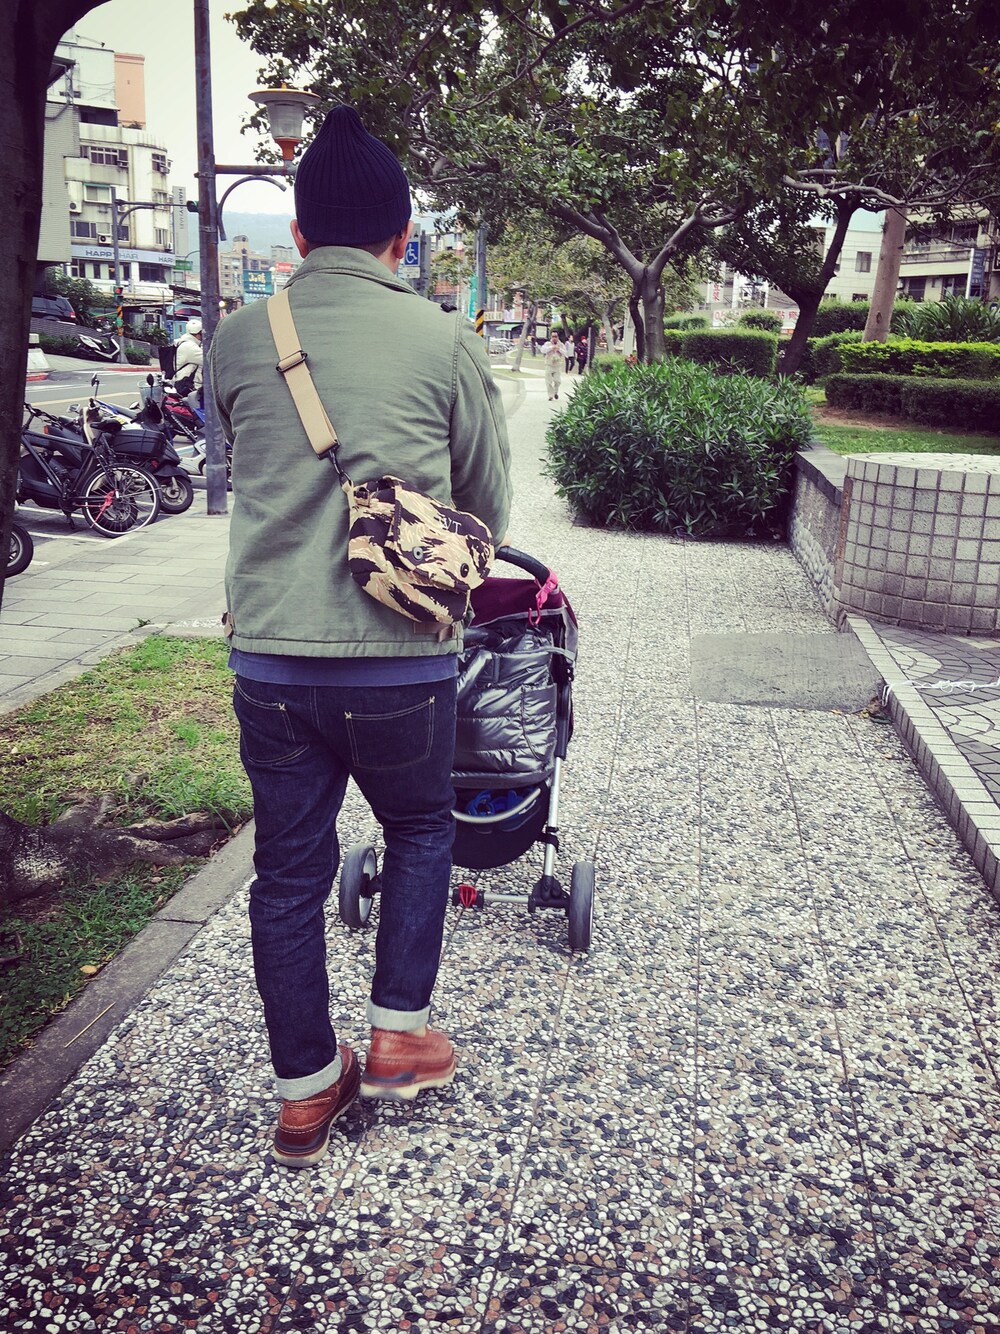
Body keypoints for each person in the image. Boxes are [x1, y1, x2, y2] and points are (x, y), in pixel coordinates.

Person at [208, 105, 512, 1169]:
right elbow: (485, 509)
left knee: (288, 874)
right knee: (421, 829)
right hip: (401, 662)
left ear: (297, 235)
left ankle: (303, 1092)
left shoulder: (238, 338)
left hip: (270, 658)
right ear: (402, 237)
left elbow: (239, 459)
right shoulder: (443, 338)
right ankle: (396, 1036)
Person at [173, 318, 204, 406]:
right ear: (198, 334)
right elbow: (208, 360)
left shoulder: (183, 342)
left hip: (181, 381)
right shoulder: (190, 347)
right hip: (189, 386)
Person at [543, 330, 563, 400]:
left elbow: (566, 353)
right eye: (553, 336)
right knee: (548, 381)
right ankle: (550, 396)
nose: (554, 338)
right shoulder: (547, 344)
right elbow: (543, 350)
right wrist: (551, 348)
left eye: (555, 336)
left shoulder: (561, 345)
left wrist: (559, 349)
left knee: (557, 381)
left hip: (557, 366)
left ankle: (555, 392)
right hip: (549, 365)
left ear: (558, 337)